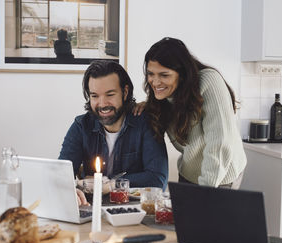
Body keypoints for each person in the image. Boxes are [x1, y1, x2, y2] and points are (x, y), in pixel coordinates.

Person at [136, 37, 246, 188]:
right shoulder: (163, 98)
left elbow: (219, 143)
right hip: (189, 173)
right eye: (151, 74)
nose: (155, 82)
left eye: (164, 75)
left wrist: (204, 190)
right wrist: (147, 106)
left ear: (182, 74)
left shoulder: (209, 81)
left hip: (221, 176)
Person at [59, 60, 168, 205]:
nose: (102, 104)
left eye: (110, 94)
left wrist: (110, 185)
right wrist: (75, 187)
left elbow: (157, 180)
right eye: (95, 96)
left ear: (125, 92)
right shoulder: (81, 126)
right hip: (91, 208)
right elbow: (60, 176)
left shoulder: (146, 123)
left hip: (133, 213)